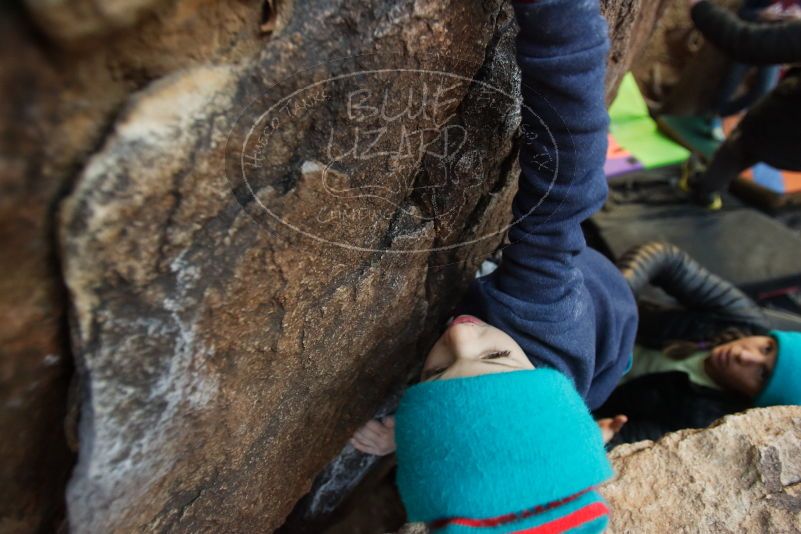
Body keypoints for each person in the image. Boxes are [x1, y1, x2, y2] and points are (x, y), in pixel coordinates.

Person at [351, 0, 638, 531]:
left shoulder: (492, 366)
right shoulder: (540, 301)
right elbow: (568, 172)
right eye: (498, 355)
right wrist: (560, 20)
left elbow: (482, 401)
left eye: (434, 375)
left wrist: (411, 431)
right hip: (607, 315)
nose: (461, 337)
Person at [595, 241, 801, 446]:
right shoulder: (743, 320)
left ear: (753, 400)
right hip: (593, 326)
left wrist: (601, 435)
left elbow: (625, 439)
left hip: (583, 390)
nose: (745, 356)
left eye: (762, 374)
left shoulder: (705, 423)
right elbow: (666, 259)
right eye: (767, 348)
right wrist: (617, 300)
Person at [681, 0, 801, 208]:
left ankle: (704, 191)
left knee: (737, 150)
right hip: (784, 139)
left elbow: (746, 42)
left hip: (774, 131)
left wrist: (700, 8)